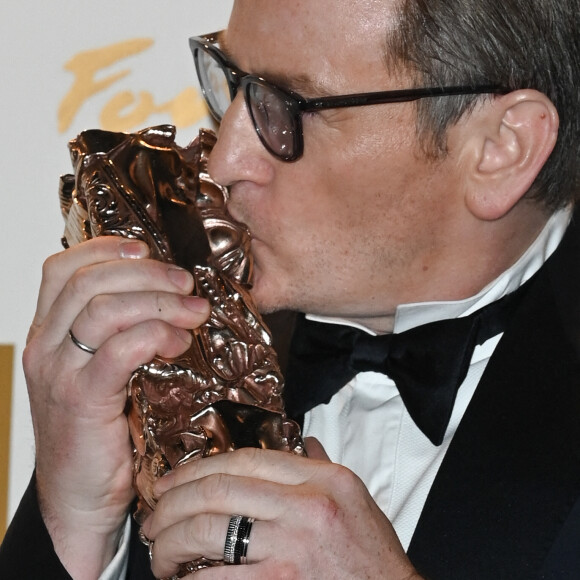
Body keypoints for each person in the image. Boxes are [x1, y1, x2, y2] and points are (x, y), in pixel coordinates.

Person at [1, 0, 579, 578]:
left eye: (286, 107)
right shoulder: (167, 349)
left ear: (503, 148)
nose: (224, 161)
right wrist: (74, 521)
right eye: (232, 82)